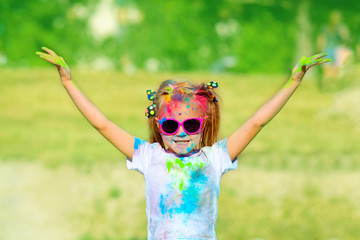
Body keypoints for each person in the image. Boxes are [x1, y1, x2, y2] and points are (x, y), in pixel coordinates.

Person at [36, 47, 331, 239]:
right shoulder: (148, 156)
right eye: (170, 124)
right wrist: (68, 84)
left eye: (190, 124)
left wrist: (293, 82)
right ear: (158, 126)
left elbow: (257, 122)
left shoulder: (215, 157)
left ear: (203, 126)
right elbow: (102, 124)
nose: (180, 132)